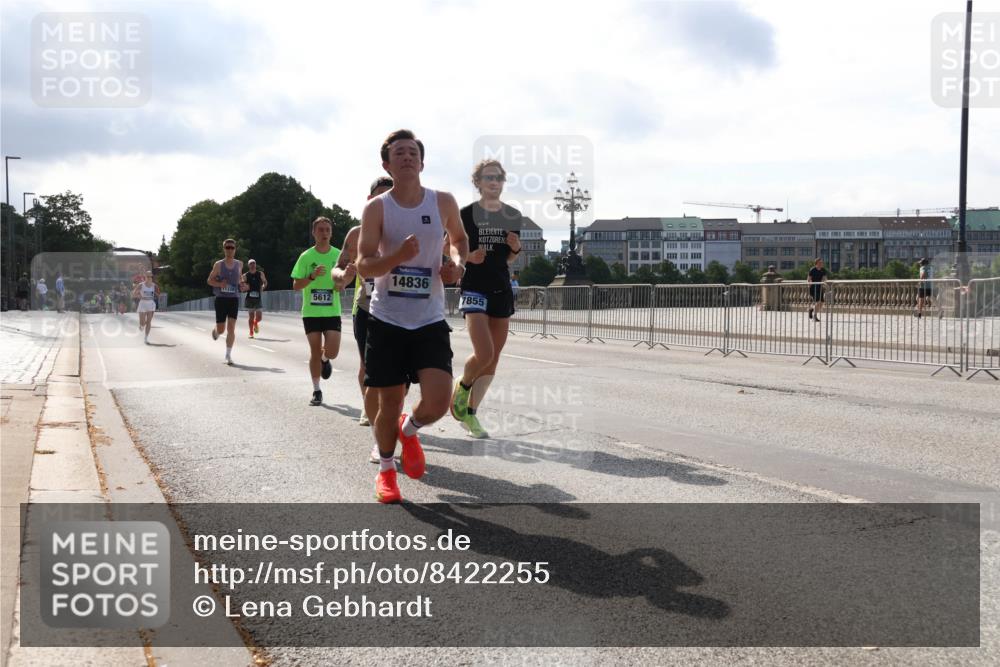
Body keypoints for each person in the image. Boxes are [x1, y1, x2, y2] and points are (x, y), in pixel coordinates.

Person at [357, 129, 468, 503]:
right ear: (387, 164)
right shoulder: (377, 208)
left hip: (428, 318)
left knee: (439, 401)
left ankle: (411, 429)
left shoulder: (443, 202)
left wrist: (455, 265)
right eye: (398, 153)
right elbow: (364, 265)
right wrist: (396, 258)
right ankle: (387, 471)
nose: (406, 157)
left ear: (422, 161)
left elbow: (459, 240)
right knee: (388, 404)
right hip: (387, 319)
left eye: (412, 152)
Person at [450, 159, 523, 438]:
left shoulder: (513, 215)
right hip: (474, 288)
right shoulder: (466, 214)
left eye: (499, 178)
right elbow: (449, 245)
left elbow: (509, 256)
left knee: (493, 359)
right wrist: (467, 256)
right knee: (484, 352)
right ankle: (464, 383)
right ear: (477, 182)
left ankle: (470, 414)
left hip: (500, 288)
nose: (494, 182)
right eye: (488, 178)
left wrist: (515, 249)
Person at [336, 176, 393, 427]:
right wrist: (343, 276)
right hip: (365, 306)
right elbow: (337, 270)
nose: (386, 201)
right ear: (370, 200)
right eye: (380, 196)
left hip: (398, 308)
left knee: (395, 367)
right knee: (367, 363)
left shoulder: (408, 229)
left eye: (390, 195)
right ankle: (368, 406)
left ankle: (389, 412)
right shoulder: (357, 233)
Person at [291, 218, 352, 406]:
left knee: (332, 351)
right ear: (314, 233)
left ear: (331, 233)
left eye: (327, 230)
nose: (324, 233)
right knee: (314, 351)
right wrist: (311, 276)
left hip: (332, 311)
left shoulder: (338, 255)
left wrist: (341, 284)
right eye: (320, 230)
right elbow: (295, 285)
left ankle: (326, 360)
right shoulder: (306, 257)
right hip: (311, 312)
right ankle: (317, 390)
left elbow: (349, 276)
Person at [207, 238, 247, 364]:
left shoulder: (239, 264)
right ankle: (216, 331)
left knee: (231, 328)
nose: (230, 250)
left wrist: (242, 285)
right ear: (224, 249)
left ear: (235, 249)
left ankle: (228, 355)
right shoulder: (218, 265)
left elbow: (240, 279)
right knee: (222, 329)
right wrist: (219, 284)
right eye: (227, 247)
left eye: (232, 248)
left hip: (233, 299)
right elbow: (209, 280)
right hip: (221, 299)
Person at [133, 271, 160, 343]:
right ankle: (141, 325)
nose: (149, 278)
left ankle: (146, 338)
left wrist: (156, 295)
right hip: (142, 304)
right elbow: (134, 294)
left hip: (151, 304)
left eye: (150, 277)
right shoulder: (141, 285)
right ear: (145, 277)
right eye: (147, 276)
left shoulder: (154, 285)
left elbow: (158, 294)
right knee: (142, 323)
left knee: (149, 322)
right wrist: (139, 296)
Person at [243, 260, 268, 338]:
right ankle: (251, 332)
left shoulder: (260, 273)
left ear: (255, 264)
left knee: (259, 317)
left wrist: (263, 287)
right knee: (251, 317)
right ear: (248, 265)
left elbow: (265, 282)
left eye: (254, 263)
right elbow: (242, 285)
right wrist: (244, 287)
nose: (252, 265)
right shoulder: (245, 275)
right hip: (249, 298)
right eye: (251, 264)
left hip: (258, 298)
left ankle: (255, 322)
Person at [807, 258, 828, 322]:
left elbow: (825, 278)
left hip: (820, 287)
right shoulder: (812, 270)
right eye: (820, 263)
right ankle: (815, 316)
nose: (821, 264)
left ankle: (811, 309)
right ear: (816, 263)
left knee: (821, 302)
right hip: (813, 287)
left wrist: (825, 283)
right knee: (818, 301)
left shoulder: (823, 270)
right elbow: (809, 278)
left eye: (822, 263)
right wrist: (809, 284)